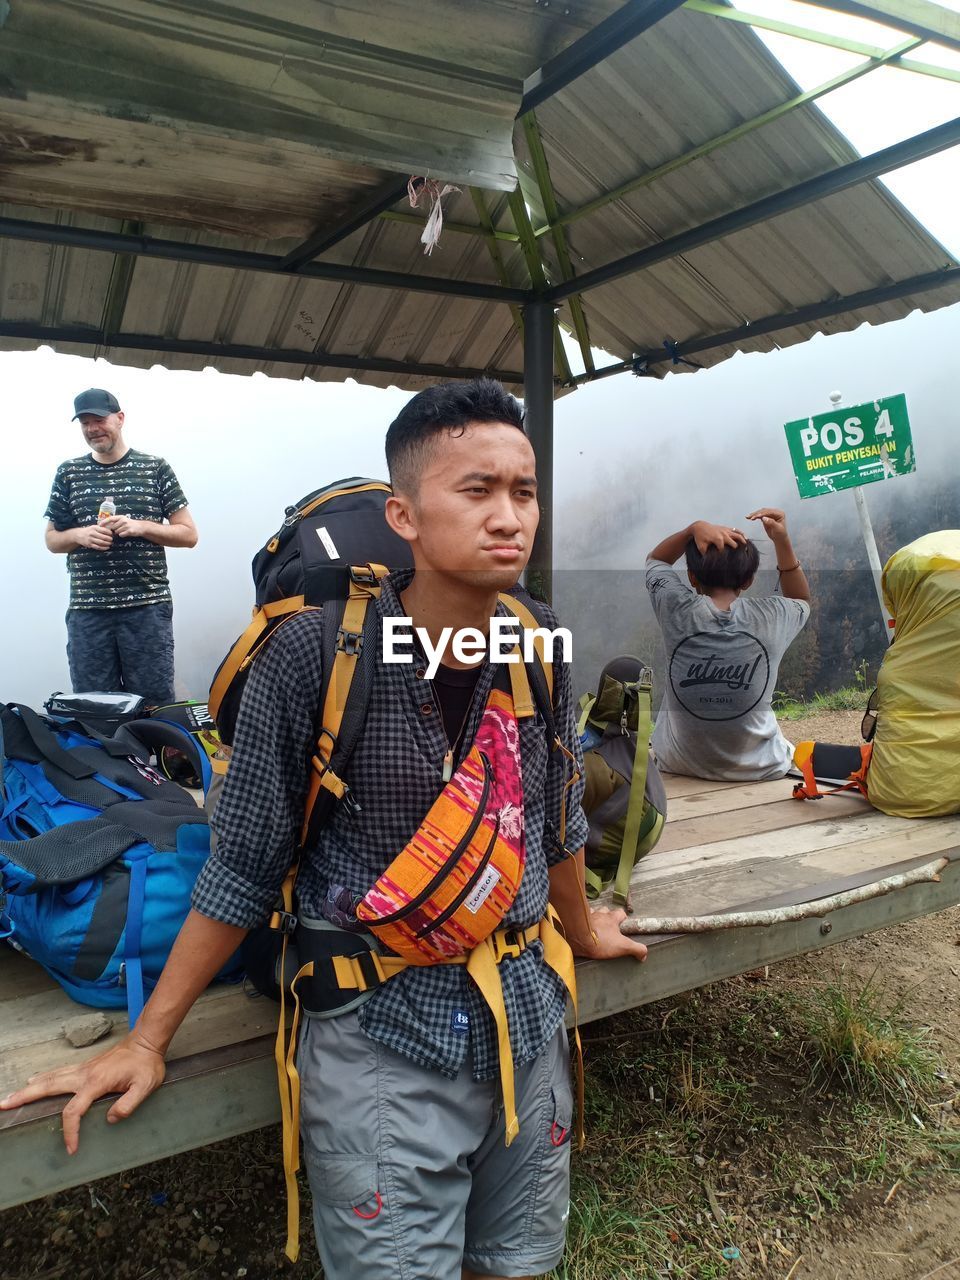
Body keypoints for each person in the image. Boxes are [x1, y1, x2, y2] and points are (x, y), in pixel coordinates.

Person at [6, 379, 647, 1280]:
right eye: (477, 490)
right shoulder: (313, 656)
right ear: (406, 514)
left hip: (526, 1025)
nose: (510, 517)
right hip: (381, 1038)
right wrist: (146, 1040)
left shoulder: (535, 637)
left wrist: (582, 931)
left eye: (525, 491)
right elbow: (244, 868)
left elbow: (554, 820)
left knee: (518, 1263)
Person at [44, 388, 198, 706]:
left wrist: (141, 526)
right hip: (88, 613)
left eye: (98, 420)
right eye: (85, 423)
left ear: (120, 418)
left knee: (154, 705)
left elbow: (188, 534)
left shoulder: (155, 468)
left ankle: (155, 758)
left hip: (146, 610)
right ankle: (104, 758)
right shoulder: (69, 473)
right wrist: (80, 536)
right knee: (95, 706)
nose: (92, 429)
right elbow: (52, 540)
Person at [645, 509, 811, 781]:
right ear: (748, 580)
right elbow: (801, 599)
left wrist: (692, 528)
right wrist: (781, 540)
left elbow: (656, 560)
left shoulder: (675, 609)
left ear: (691, 577)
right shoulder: (771, 617)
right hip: (761, 767)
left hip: (678, 762)